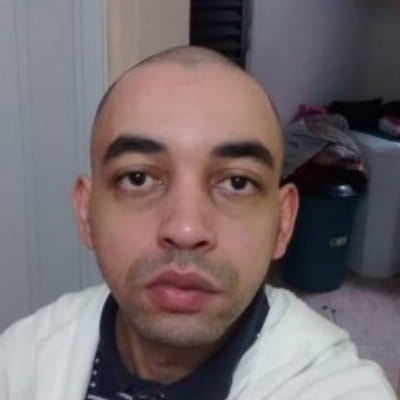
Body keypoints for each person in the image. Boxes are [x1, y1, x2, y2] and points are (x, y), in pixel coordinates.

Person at [0, 46, 396, 400]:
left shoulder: (334, 387)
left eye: (237, 182)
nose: (186, 230)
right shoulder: (21, 358)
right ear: (86, 212)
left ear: (283, 223)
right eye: (137, 178)